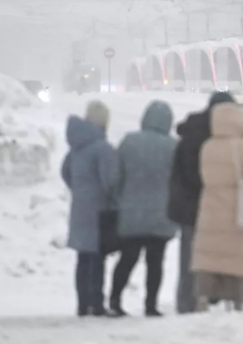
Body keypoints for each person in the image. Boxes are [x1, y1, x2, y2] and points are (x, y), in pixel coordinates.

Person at [191, 101, 243, 312]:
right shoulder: (242, 148)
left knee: (209, 257)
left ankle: (203, 297)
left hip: (210, 209)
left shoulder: (207, 147)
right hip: (236, 210)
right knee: (234, 258)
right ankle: (236, 300)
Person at [167, 91, 236, 314]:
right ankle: (197, 303)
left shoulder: (195, 132)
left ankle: (190, 302)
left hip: (190, 207)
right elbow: (195, 174)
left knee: (191, 258)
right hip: (200, 206)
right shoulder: (207, 136)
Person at [109, 101, 178, 318]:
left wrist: (118, 200)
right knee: (155, 262)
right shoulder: (173, 147)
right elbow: (177, 181)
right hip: (161, 213)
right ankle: (151, 304)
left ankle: (114, 299)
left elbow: (116, 176)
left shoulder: (129, 142)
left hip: (132, 211)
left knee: (128, 258)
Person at [61, 101, 119, 317]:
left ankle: (83, 304)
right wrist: (113, 199)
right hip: (98, 210)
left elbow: (65, 171)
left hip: (80, 208)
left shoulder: (76, 147)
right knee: (97, 258)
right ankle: (96, 303)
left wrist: (79, 189)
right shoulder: (102, 149)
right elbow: (110, 181)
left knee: (83, 258)